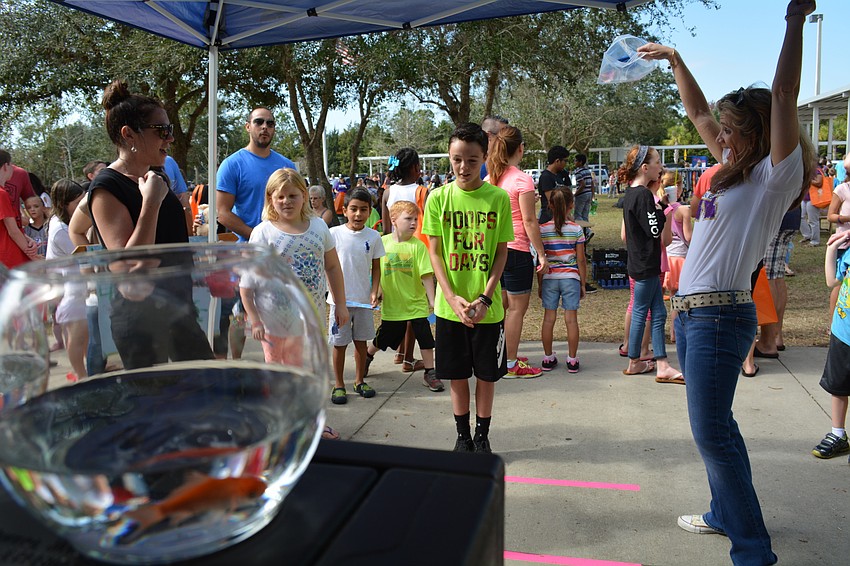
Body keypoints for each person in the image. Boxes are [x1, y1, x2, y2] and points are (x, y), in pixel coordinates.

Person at [638, 2, 816, 562]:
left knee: (712, 432)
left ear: (760, 131)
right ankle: (723, 513)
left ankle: (753, 550)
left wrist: (795, 20)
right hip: (693, 315)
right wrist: (675, 58)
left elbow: (784, 92)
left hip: (720, 316)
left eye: (736, 128)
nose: (724, 136)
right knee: (718, 428)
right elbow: (695, 111)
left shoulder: (773, 176)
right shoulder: (733, 167)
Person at [89, 79, 214, 368]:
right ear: (129, 134)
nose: (170, 138)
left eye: (169, 130)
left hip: (178, 310)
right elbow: (130, 270)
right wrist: (152, 203)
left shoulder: (156, 177)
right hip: (141, 324)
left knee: (206, 392)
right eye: (162, 130)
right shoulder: (106, 187)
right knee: (158, 408)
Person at [422, 122, 512, 454]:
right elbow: (434, 251)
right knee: (457, 376)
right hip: (450, 310)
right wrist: (450, 297)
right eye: (457, 159)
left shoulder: (498, 198)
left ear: (484, 158)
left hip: (487, 309)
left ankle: (483, 434)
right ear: (449, 157)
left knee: (486, 377)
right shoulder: (437, 199)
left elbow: (502, 251)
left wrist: (486, 297)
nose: (463, 167)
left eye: (472, 160)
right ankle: (463, 437)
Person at [486, 125, 549, 378]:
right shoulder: (522, 179)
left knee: (498, 307)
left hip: (494, 250)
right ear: (521, 148)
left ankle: (500, 354)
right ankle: (510, 364)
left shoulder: (492, 178)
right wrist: (542, 254)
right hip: (517, 251)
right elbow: (529, 221)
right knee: (515, 310)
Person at [620, 146, 683, 385]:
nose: (661, 167)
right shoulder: (644, 196)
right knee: (641, 312)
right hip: (646, 264)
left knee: (657, 312)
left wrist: (661, 207)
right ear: (645, 168)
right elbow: (654, 230)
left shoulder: (631, 194)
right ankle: (635, 360)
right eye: (657, 162)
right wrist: (663, 210)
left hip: (642, 262)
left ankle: (662, 363)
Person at [365, 200, 441, 391]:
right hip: (393, 307)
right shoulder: (382, 243)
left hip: (416, 305)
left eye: (416, 219)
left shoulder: (418, 247)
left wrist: (432, 301)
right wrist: (375, 292)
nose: (414, 223)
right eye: (409, 219)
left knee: (425, 336)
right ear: (394, 220)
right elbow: (376, 272)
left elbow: (426, 275)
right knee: (384, 338)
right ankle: (367, 356)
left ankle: (430, 373)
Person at [327, 187, 384, 405]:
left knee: (361, 343)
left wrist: (374, 290)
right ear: (344, 210)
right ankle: (339, 384)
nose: (358, 214)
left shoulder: (374, 236)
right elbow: (328, 266)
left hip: (362, 302)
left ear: (370, 211)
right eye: (354, 209)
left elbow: (376, 267)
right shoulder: (333, 235)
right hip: (339, 302)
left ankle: (359, 381)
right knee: (339, 344)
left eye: (363, 209)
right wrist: (334, 295)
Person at [216, 107, 297, 242]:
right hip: (248, 251)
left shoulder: (288, 166)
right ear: (248, 126)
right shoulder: (231, 165)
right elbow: (222, 213)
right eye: (259, 122)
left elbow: (299, 205)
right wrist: (257, 237)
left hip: (286, 247)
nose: (265, 127)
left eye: (270, 124)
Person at [382, 147, 430, 371]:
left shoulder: (388, 192)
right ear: (415, 167)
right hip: (417, 253)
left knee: (399, 301)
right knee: (415, 308)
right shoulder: (422, 191)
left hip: (391, 253)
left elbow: (384, 227)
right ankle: (409, 358)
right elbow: (430, 226)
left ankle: (400, 353)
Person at [810, 230, 850, 461]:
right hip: (843, 332)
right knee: (838, 386)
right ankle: (838, 434)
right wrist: (831, 248)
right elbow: (831, 280)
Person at [538, 188, 586, 372]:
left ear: (550, 205)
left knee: (548, 319)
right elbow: (581, 259)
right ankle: (572, 360)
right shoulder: (576, 229)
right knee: (571, 320)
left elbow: (539, 260)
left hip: (550, 277)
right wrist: (582, 282)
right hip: (571, 278)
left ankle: (548, 358)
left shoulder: (542, 230)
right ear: (571, 205)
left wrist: (541, 283)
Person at [46, 180, 88, 383]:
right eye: (78, 202)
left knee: (82, 333)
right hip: (70, 291)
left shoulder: (61, 222)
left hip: (72, 286)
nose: (82, 206)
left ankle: (86, 368)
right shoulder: (62, 230)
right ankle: (80, 374)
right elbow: (85, 252)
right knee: (76, 336)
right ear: (65, 203)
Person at [0, 150, 37, 268]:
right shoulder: (2, 194)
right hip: (10, 253)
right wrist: (32, 255)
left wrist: (25, 237)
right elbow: (12, 230)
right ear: (6, 166)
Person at [825, 155, 850, 312]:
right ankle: (834, 322)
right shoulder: (842, 189)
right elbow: (830, 216)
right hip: (844, 242)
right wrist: (847, 218)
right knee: (839, 283)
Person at [537, 146, 571, 224]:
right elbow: (553, 201)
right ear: (557, 161)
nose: (566, 164)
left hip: (561, 218)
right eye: (565, 161)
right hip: (549, 220)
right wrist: (568, 217)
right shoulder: (546, 177)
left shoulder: (559, 175)